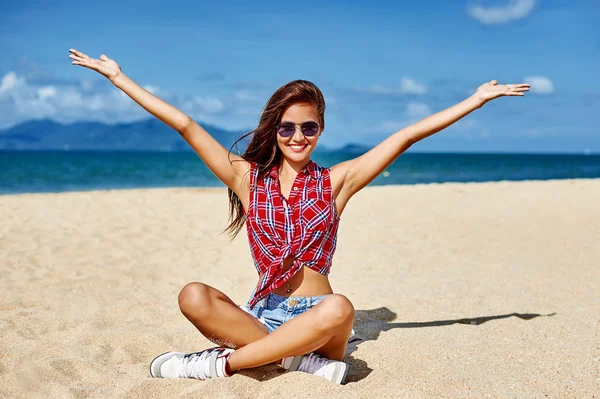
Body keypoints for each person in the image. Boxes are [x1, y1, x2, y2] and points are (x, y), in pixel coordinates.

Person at [68, 48, 529, 384]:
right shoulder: (247, 179)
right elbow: (186, 124)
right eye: (287, 127)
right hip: (265, 315)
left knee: (341, 307)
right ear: (275, 128)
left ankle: (218, 364)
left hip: (318, 321)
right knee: (193, 294)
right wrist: (118, 78)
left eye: (308, 127)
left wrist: (476, 100)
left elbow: (405, 136)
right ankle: (291, 358)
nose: (297, 136)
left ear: (320, 130)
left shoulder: (336, 182)